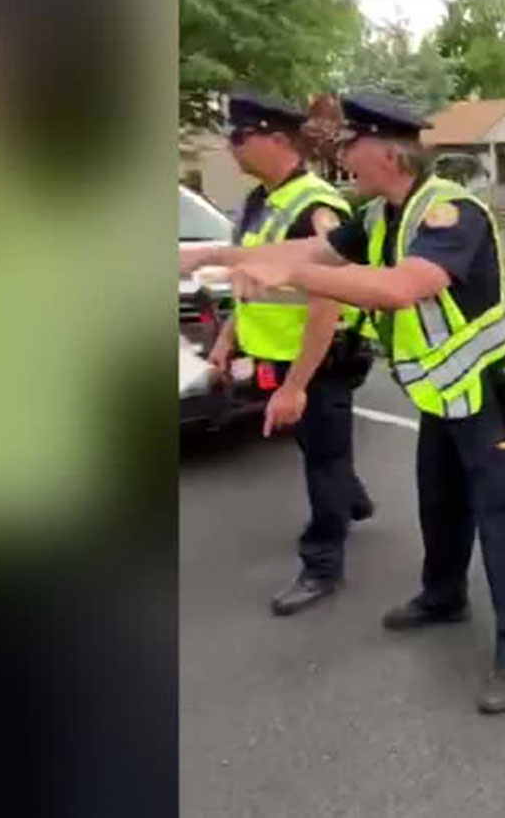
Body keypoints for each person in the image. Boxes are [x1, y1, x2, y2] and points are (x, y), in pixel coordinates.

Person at [180, 90, 505, 714]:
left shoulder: (451, 215)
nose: (341, 152)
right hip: (440, 396)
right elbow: (306, 252)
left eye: (351, 142)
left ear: (389, 153)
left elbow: (400, 288)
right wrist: (212, 255)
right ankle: (442, 596)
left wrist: (289, 275)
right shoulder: (377, 217)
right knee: (440, 504)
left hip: (485, 396)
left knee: (500, 518)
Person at [201, 89, 374, 618]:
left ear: (278, 139)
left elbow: (328, 299)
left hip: (320, 359)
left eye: (239, 137)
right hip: (277, 353)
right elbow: (251, 282)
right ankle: (353, 500)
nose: (231, 148)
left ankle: (322, 565)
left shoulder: (317, 207)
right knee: (318, 447)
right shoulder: (259, 202)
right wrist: (226, 342)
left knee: (320, 460)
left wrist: (298, 384)